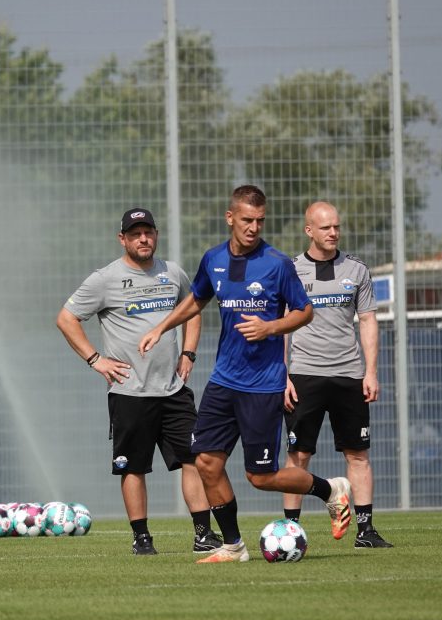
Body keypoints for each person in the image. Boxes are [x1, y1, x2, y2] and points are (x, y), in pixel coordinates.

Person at [138, 185, 352, 563]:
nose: (254, 227)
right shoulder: (214, 259)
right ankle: (233, 546)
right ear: (230, 218)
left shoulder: (276, 263)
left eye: (260, 221)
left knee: (261, 477)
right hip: (223, 380)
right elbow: (198, 298)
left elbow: (304, 312)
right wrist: (161, 327)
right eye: (247, 220)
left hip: (262, 384)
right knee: (206, 462)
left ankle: (330, 489)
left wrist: (270, 328)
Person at [56, 207, 223, 556]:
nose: (143, 239)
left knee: (194, 460)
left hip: (173, 388)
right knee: (132, 466)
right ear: (123, 239)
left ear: (156, 235)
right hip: (129, 391)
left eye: (148, 232)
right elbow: (67, 318)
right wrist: (95, 359)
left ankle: (203, 533)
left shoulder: (172, 273)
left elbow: (193, 309)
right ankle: (141, 538)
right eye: (135, 234)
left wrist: (188, 354)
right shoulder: (104, 279)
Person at [281, 201, 392, 548]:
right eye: (325, 227)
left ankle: (366, 531)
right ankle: (291, 531)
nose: (333, 233)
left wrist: (370, 372)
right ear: (309, 230)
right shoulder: (290, 270)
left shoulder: (357, 269)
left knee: (357, 454)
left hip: (348, 375)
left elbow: (369, 320)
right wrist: (282, 376)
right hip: (303, 375)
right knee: (298, 455)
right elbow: (281, 327)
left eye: (336, 227)